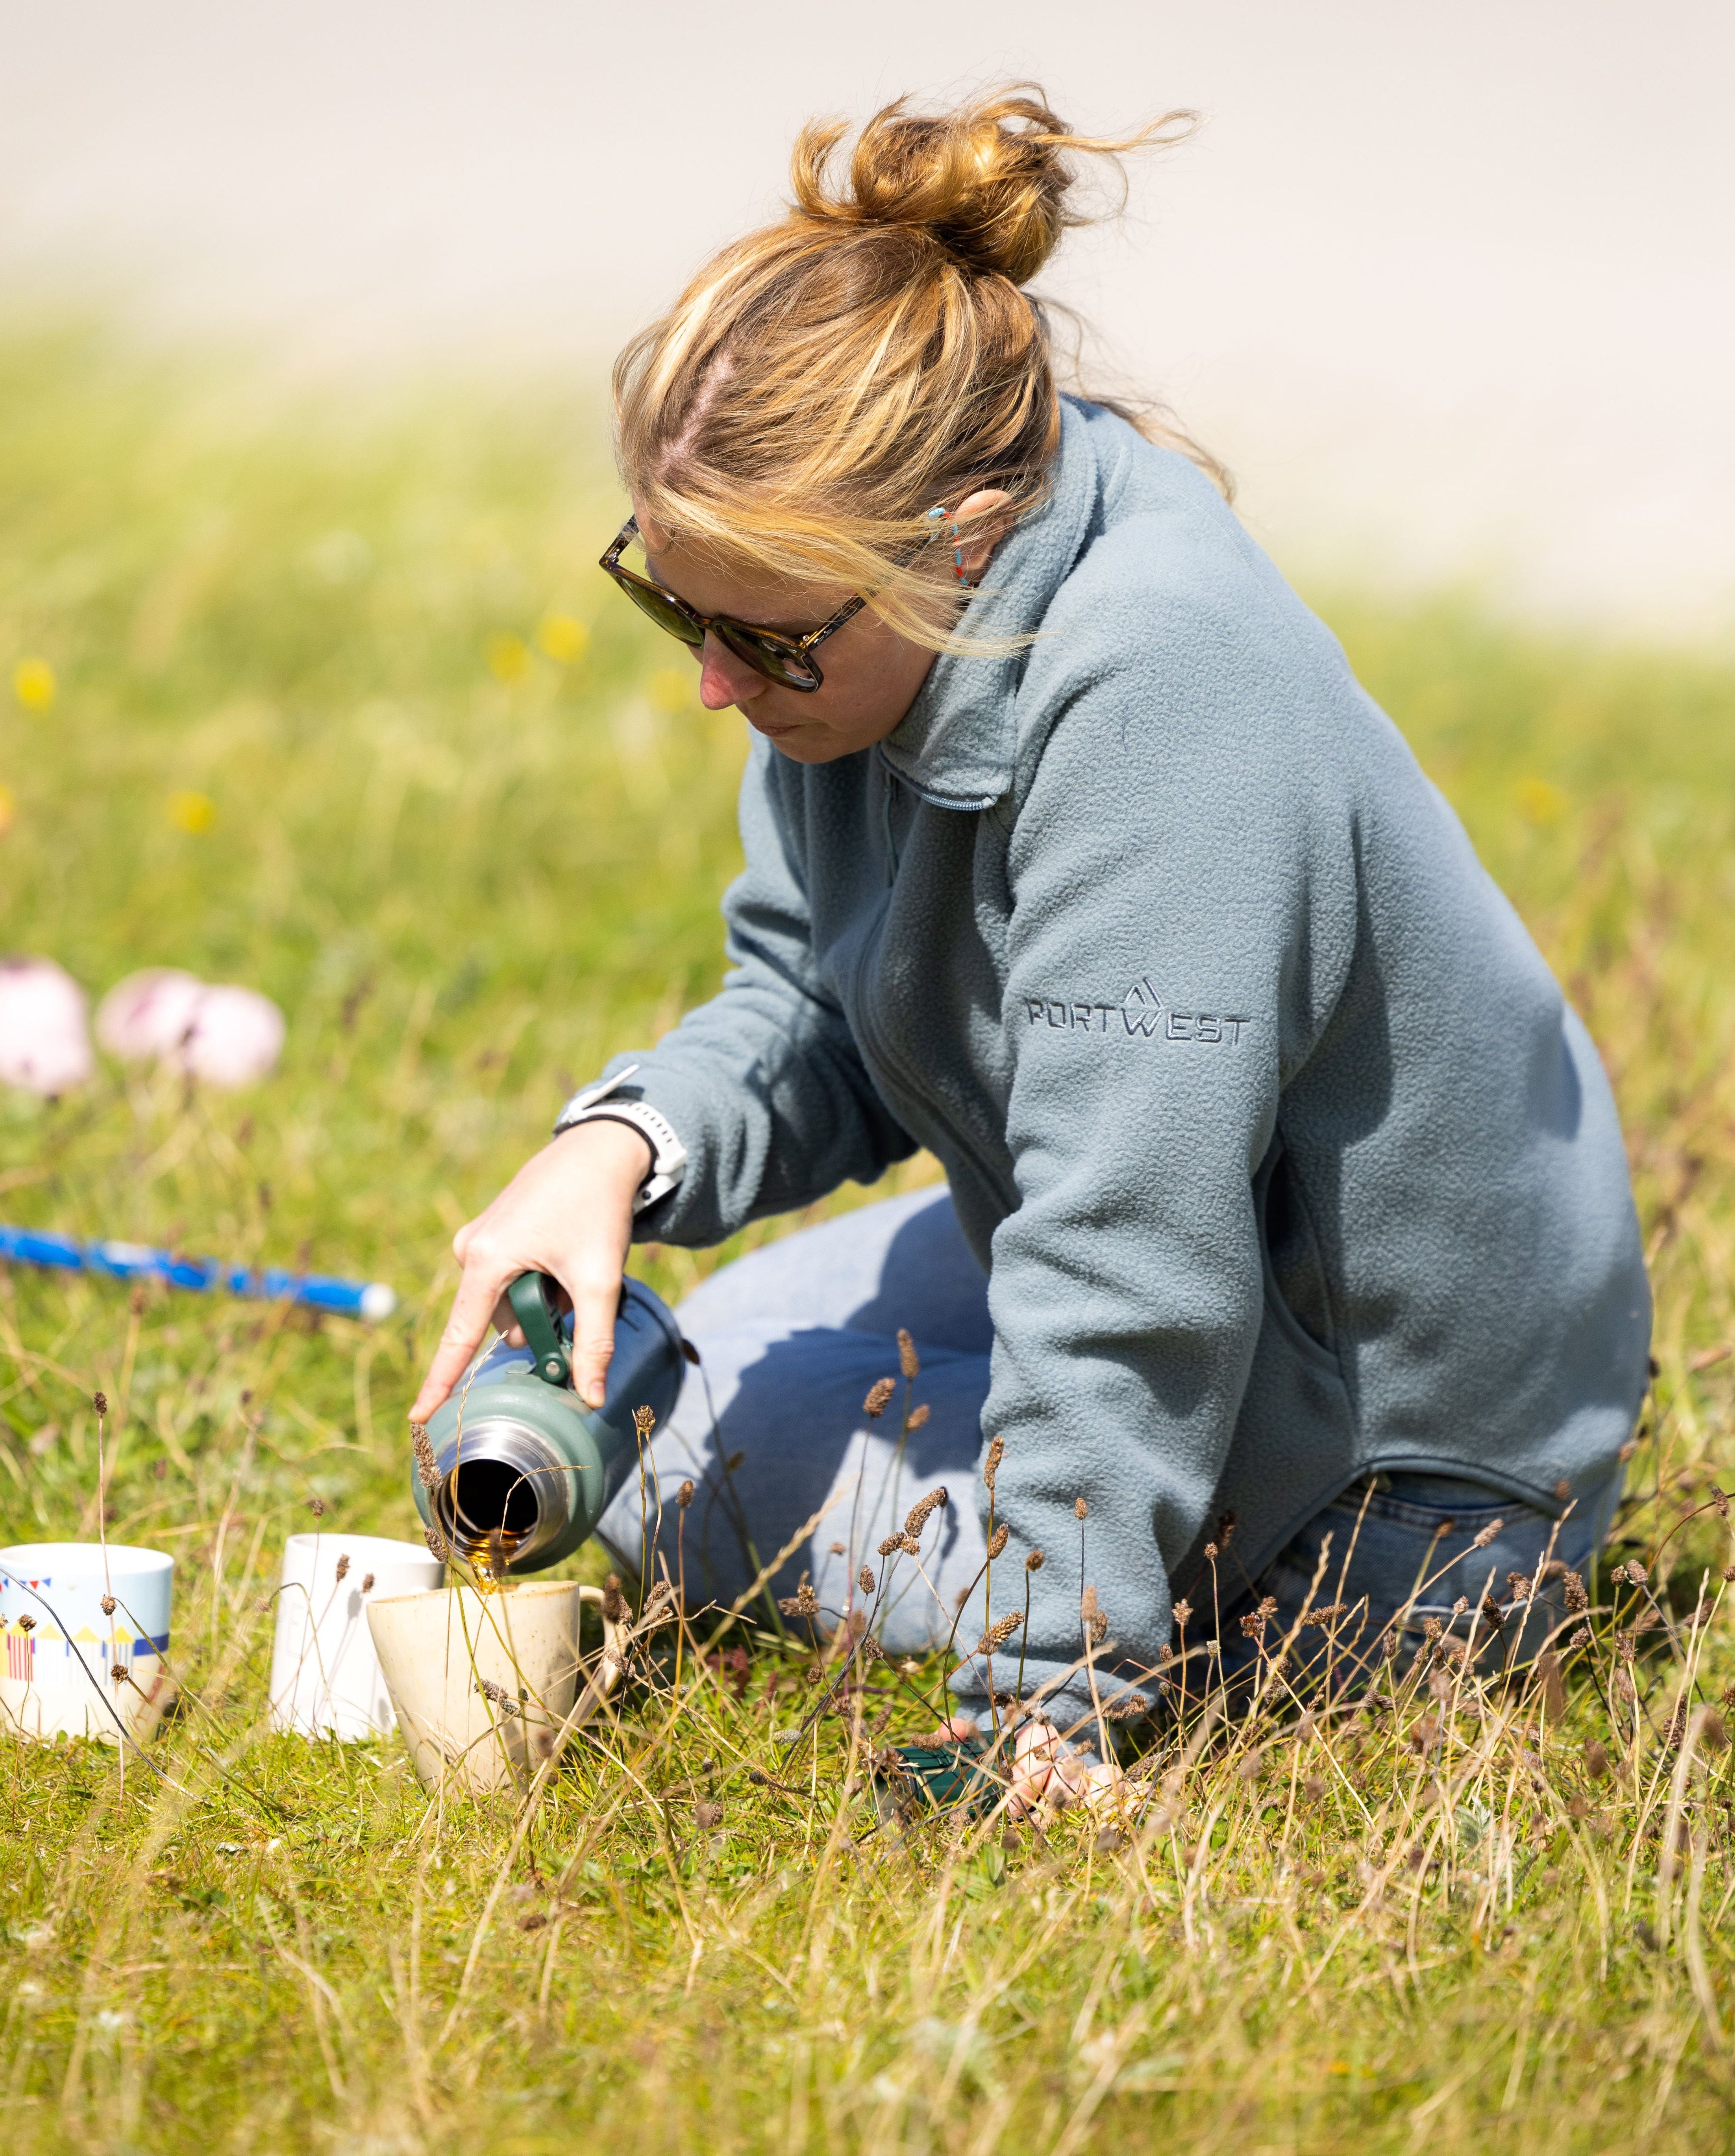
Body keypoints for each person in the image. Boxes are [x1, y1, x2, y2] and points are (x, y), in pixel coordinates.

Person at [410, 87, 1649, 1807]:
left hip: (1403, 1485)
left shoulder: (1162, 691)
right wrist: (623, 1143)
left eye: (759, 639)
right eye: (671, 606)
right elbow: (812, 1004)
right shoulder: (865, 634)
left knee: (671, 1454)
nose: (712, 684)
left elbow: (1130, 1247)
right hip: (1185, 1250)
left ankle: (1150, 1589)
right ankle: (1032, 1497)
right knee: (708, 1333)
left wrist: (1040, 1699)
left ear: (955, 546)